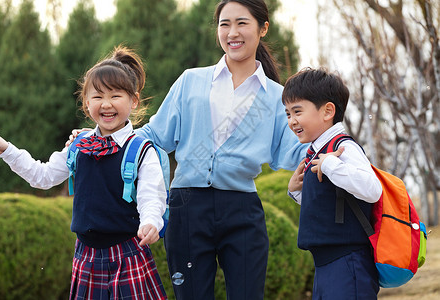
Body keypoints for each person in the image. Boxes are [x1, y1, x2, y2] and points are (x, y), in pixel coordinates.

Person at [134, 1, 307, 299]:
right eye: (224, 24)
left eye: (242, 23)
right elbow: (154, 134)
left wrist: (336, 149)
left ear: (263, 28)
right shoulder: (191, 81)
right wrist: (101, 139)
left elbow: (298, 151)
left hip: (242, 211)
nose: (232, 32)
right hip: (186, 208)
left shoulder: (278, 98)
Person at [0, 46, 167, 299]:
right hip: (86, 257)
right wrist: (6, 150)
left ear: (134, 100)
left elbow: (152, 196)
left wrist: (151, 222)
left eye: (116, 96)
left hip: (128, 255)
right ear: (86, 102)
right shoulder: (78, 145)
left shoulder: (140, 150)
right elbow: (43, 177)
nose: (106, 104)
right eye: (97, 97)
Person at [284, 67, 382, 299]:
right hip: (325, 266)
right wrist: (297, 191)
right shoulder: (317, 152)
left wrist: (330, 165)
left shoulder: (343, 148)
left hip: (348, 264)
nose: (292, 121)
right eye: (288, 113)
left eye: (297, 111)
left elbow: (372, 189)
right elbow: (327, 207)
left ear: (328, 111)